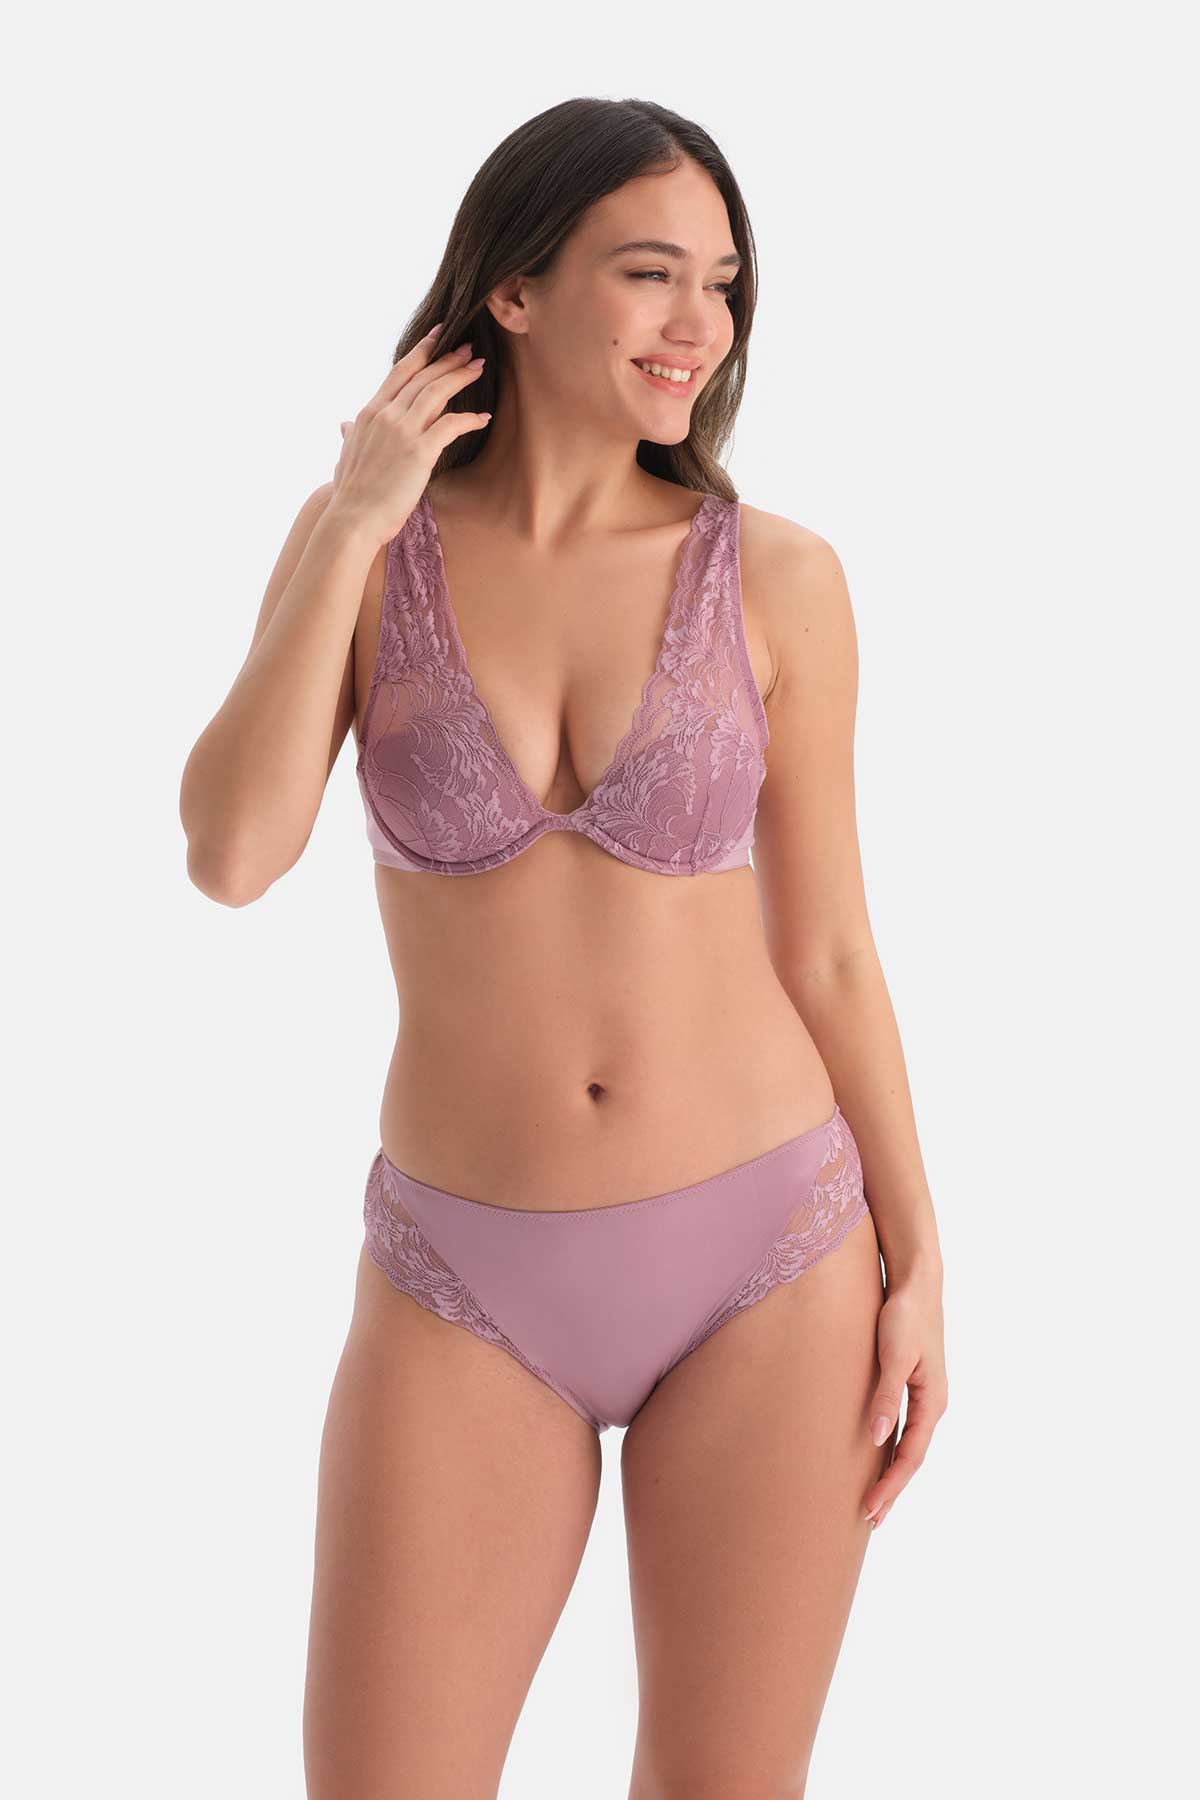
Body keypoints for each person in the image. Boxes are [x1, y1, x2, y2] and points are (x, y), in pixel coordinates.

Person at [180, 97, 948, 1800]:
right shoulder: (367, 553)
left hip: (771, 1255)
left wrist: (919, 1263)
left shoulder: (779, 577)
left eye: (723, 283)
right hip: (464, 1275)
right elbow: (231, 855)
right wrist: (349, 519)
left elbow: (830, 948)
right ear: (514, 290)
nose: (700, 324)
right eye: (650, 273)